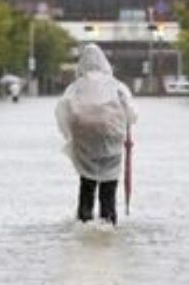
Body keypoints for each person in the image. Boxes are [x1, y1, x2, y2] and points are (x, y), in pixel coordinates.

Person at [55, 44, 138, 225]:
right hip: (112, 141)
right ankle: (108, 222)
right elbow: (131, 112)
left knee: (87, 184)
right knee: (109, 186)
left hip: (85, 143)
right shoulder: (116, 85)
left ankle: (84, 219)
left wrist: (71, 135)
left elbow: (63, 110)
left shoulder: (76, 86)